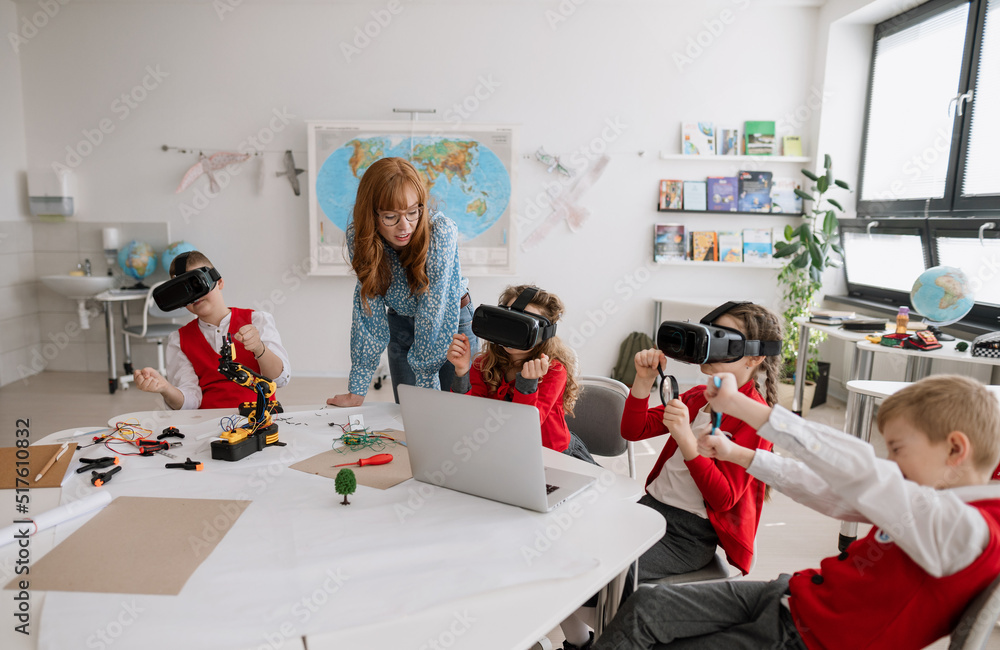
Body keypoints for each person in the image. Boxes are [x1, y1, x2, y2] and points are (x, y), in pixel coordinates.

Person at [594, 373, 1000, 650]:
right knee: (646, 606)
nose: (891, 462)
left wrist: (746, 408)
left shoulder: (969, 532)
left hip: (805, 638)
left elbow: (860, 472)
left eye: (897, 449)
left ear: (954, 449)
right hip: (792, 595)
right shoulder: (947, 504)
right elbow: (833, 492)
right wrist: (741, 454)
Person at [558, 302, 782, 650]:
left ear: (753, 358)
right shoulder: (697, 397)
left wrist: (687, 440)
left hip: (688, 535)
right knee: (561, 551)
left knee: (604, 571)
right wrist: (642, 383)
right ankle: (581, 641)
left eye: (724, 338)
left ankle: (609, 635)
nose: (710, 343)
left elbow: (724, 498)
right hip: (648, 509)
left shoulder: (756, 420)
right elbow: (633, 430)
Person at [327, 157, 476, 407]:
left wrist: (427, 387)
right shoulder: (359, 237)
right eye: (390, 217)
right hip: (401, 322)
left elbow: (433, 309)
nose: (404, 226)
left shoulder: (441, 232)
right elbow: (368, 311)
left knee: (457, 413)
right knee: (409, 414)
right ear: (371, 213)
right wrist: (358, 389)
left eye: (412, 212)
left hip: (450, 322)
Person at [446, 285, 594, 464]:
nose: (511, 333)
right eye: (508, 323)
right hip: (504, 451)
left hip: (553, 457)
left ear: (542, 333)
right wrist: (462, 371)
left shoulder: (553, 371)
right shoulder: (484, 364)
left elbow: (525, 427)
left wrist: (528, 384)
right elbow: (467, 414)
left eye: (522, 327)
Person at [133, 251, 291, 410]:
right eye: (184, 292)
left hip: (259, 416)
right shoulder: (179, 340)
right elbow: (190, 402)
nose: (194, 297)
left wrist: (259, 348)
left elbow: (279, 380)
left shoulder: (258, 320)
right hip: (208, 422)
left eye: (197, 285)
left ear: (220, 282)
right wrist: (166, 389)